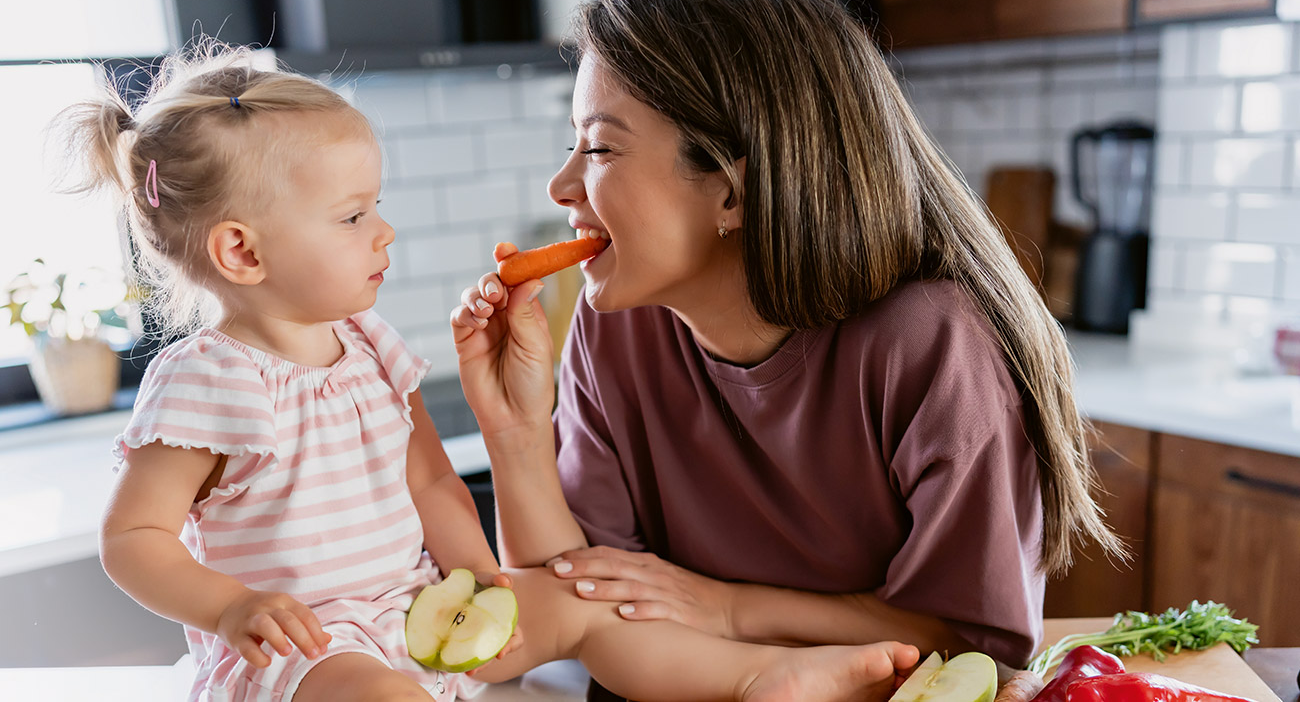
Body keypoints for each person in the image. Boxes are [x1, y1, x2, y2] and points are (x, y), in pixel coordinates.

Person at [71, 42, 918, 702]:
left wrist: (480, 578)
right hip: (302, 656)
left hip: (411, 613)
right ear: (242, 251)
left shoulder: (367, 344)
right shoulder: (207, 380)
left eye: (380, 206)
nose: (384, 233)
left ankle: (756, 679)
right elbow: (131, 539)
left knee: (588, 606)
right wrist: (227, 607)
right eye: (354, 215)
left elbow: (435, 481)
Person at [451, 0, 1125, 698]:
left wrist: (725, 606)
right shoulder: (615, 320)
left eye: (599, 147)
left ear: (733, 191)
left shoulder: (932, 345)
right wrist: (515, 428)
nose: (563, 186)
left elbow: (974, 643)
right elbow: (569, 599)